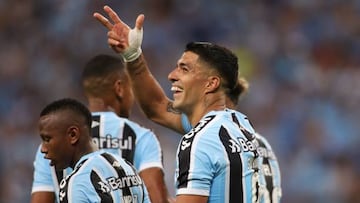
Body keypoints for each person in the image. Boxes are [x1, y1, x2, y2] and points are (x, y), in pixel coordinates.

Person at [94, 6, 261, 203]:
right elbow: (157, 107)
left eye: (184, 69)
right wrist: (132, 56)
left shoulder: (200, 140)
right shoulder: (239, 124)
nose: (172, 76)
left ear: (211, 83)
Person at [31, 54, 171, 203]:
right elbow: (156, 197)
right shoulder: (140, 137)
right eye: (131, 87)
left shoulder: (55, 140)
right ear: (120, 88)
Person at [37, 98, 149, 202]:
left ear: (73, 135)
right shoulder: (128, 168)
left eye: (47, 139)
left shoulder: (78, 183)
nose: (43, 149)